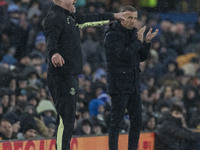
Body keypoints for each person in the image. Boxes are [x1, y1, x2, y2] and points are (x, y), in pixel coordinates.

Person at [44, 0, 127, 150]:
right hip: (62, 74)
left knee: (67, 118)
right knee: (66, 118)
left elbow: (90, 20)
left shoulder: (70, 17)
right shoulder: (55, 16)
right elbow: (51, 37)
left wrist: (114, 16)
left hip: (70, 74)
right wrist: (53, 52)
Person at [103, 6, 159, 150]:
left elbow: (140, 57)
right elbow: (123, 55)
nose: (133, 21)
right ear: (121, 17)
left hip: (133, 83)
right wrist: (139, 41)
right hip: (119, 84)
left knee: (137, 121)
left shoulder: (134, 34)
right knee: (117, 122)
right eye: (129, 17)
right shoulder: (112, 35)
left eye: (135, 18)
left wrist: (146, 42)